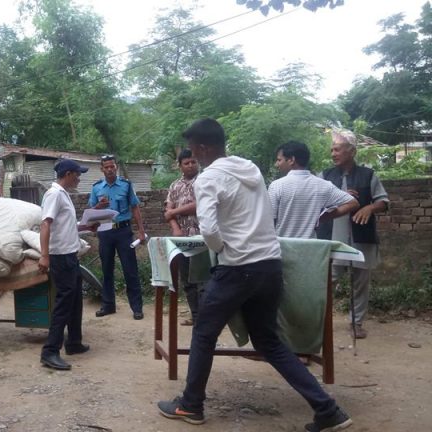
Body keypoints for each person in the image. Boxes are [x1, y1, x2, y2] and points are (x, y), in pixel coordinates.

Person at [157, 119, 353, 432]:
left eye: (193, 149)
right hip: (270, 264)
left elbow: (209, 229)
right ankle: (328, 410)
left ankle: (191, 405)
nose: (192, 155)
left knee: (204, 333)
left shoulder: (208, 179)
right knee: (268, 341)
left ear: (203, 148)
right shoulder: (251, 168)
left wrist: (222, 250)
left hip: (237, 268)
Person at [316, 131, 389, 339]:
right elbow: (316, 203)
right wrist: (339, 198)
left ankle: (356, 323)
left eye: (337, 149)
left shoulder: (368, 175)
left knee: (360, 283)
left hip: (361, 238)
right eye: (332, 149)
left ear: (352, 151)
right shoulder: (324, 176)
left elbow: (383, 202)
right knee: (326, 281)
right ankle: (319, 320)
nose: (333, 153)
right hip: (331, 239)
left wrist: (369, 208)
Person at [38, 159, 91, 371]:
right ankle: (50, 351)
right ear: (68, 174)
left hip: (70, 254)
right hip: (60, 257)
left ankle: (74, 342)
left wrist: (87, 226)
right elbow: (45, 224)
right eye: (78, 174)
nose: (79, 178)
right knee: (64, 303)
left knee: (75, 300)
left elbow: (66, 225)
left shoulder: (63, 194)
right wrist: (44, 256)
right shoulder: (54, 194)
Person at [88, 154, 146, 320]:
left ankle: (137, 308)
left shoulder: (126, 185)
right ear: (102, 169)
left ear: (116, 167)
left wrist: (141, 231)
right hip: (105, 232)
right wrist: (99, 206)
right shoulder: (97, 188)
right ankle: (108, 305)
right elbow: (91, 211)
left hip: (123, 232)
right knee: (107, 269)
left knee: (130, 270)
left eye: (112, 166)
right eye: (106, 167)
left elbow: (135, 207)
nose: (110, 169)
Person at [268, 141, 358, 239]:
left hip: (283, 245)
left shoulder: (277, 186)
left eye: (279, 160)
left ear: (291, 160)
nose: (277, 164)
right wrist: (323, 218)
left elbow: (268, 220)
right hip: (311, 246)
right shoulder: (323, 185)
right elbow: (353, 203)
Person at [164, 148, 201, 326]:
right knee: (187, 280)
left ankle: (208, 317)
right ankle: (196, 315)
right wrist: (175, 228)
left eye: (193, 162)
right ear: (180, 166)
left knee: (204, 279)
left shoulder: (204, 181)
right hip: (182, 239)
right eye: (186, 163)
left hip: (203, 237)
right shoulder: (174, 185)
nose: (191, 165)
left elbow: (199, 205)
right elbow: (167, 211)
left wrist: (174, 211)